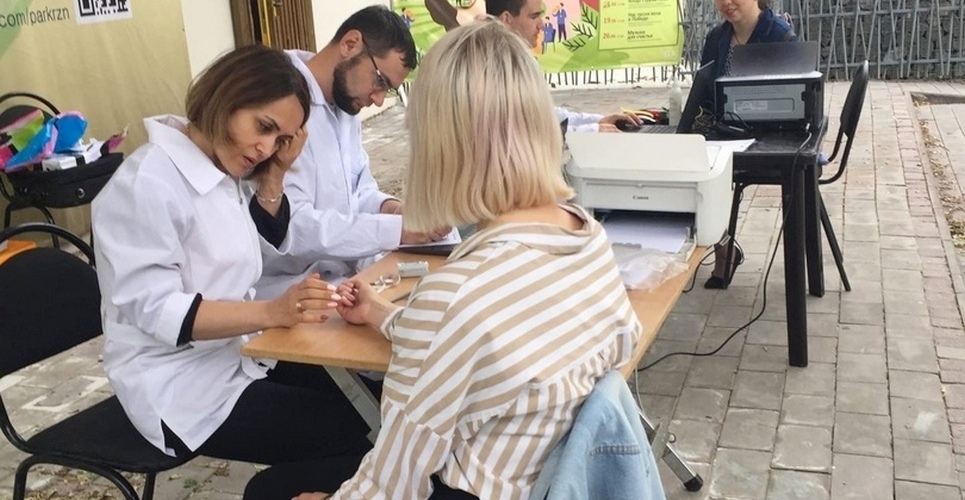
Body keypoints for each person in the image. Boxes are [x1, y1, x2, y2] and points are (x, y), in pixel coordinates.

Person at [243, 20, 643, 500]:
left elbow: (392, 481)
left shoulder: (456, 297)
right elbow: (466, 340)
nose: (377, 98)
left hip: (472, 485)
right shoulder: (586, 236)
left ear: (442, 146)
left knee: (269, 490)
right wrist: (382, 314)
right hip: (548, 473)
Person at [92, 45, 372, 469]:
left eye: (279, 139)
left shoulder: (221, 168)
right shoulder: (147, 184)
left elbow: (261, 244)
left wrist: (275, 174)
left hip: (235, 355)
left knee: (362, 393)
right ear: (227, 96)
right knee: (342, 429)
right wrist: (273, 312)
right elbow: (159, 312)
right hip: (177, 387)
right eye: (264, 127)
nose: (265, 147)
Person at [255, 5, 449, 300]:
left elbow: (359, 190)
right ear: (350, 44)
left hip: (344, 278)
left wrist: (394, 209)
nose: (378, 99)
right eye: (380, 81)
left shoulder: (346, 104)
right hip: (287, 288)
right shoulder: (282, 99)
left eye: (388, 90)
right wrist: (397, 230)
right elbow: (292, 226)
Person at [699, 0, 798, 288]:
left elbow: (796, 98)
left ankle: (726, 253)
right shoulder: (716, 38)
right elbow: (706, 94)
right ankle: (723, 247)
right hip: (725, 132)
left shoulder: (779, 35)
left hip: (772, 138)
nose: (726, 3)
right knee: (694, 166)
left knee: (714, 168)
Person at [486, 0, 642, 133]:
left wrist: (598, 121)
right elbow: (527, 130)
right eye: (534, 16)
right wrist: (592, 130)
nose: (542, 24)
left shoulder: (518, 60)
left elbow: (545, 115)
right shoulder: (490, 68)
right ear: (506, 19)